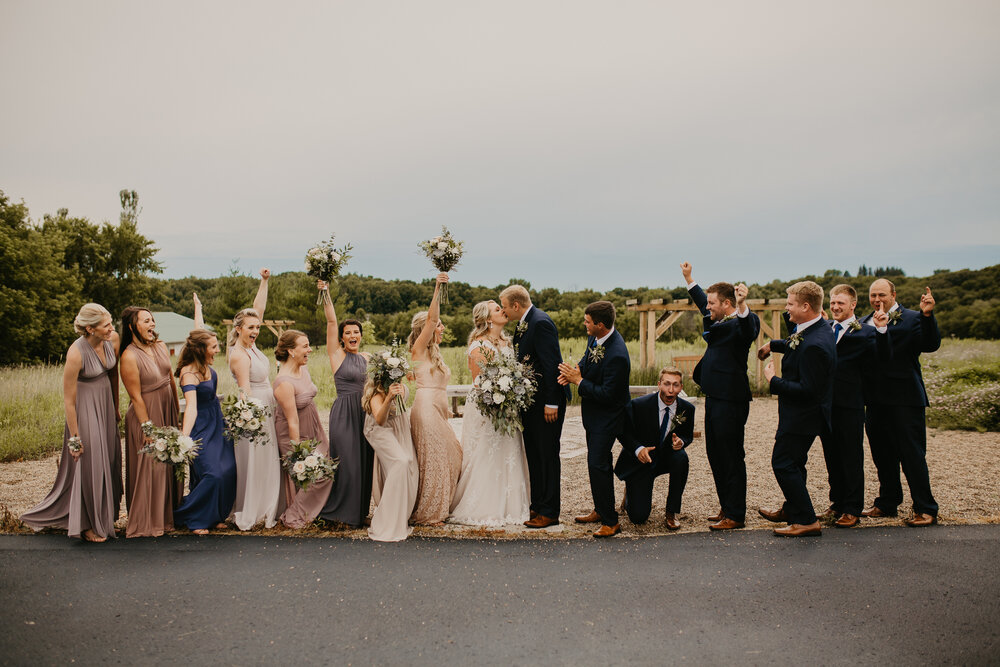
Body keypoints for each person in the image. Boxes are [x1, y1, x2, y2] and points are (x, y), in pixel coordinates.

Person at [760, 284, 890, 529]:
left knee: (850, 457)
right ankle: (837, 502)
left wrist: (882, 331)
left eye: (841, 302)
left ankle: (852, 508)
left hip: (848, 403)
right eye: (833, 302)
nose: (836, 306)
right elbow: (799, 343)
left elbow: (881, 360)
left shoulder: (864, 332)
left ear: (853, 305)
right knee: (831, 457)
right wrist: (774, 345)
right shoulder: (826, 328)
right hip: (825, 405)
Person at [21, 303, 121, 542]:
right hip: (84, 410)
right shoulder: (76, 353)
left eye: (111, 323)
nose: (111, 328)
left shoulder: (112, 340)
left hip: (105, 406)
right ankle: (86, 524)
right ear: (90, 328)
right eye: (106, 325)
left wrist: (115, 406)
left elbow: (113, 374)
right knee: (89, 464)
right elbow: (68, 399)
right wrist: (74, 438)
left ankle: (104, 516)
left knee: (108, 459)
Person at [681, 261, 759, 531]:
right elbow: (704, 300)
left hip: (732, 400)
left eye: (713, 303)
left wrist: (742, 304)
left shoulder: (742, 322)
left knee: (731, 456)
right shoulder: (717, 318)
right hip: (714, 398)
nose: (708, 307)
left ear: (727, 304)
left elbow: (750, 329)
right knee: (716, 454)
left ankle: (736, 514)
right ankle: (726, 505)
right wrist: (690, 279)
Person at [757, 281, 836, 537]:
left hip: (803, 417)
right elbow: (796, 342)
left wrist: (773, 381)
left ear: (805, 306)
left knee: (783, 463)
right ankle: (793, 508)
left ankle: (806, 520)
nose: (786, 309)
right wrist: (774, 345)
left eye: (790, 304)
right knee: (796, 464)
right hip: (801, 415)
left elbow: (807, 390)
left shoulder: (816, 344)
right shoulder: (814, 329)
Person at [860, 280, 940, 526]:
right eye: (873, 295)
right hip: (875, 399)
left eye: (882, 294)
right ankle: (887, 502)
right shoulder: (864, 322)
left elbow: (930, 344)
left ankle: (925, 508)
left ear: (893, 295)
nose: (877, 299)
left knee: (912, 454)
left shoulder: (914, 318)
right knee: (882, 454)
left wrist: (928, 315)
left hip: (906, 399)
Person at [449, 300, 531, 527]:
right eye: (497, 309)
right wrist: (499, 397)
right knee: (486, 452)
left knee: (509, 451)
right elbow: (479, 382)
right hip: (486, 407)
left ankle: (512, 505)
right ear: (487, 319)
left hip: (508, 406)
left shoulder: (507, 341)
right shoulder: (478, 345)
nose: (503, 310)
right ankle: (485, 506)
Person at [559, 300, 631, 538]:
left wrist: (578, 381)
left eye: (588, 321)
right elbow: (586, 361)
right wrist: (573, 372)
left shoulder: (617, 354)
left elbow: (608, 395)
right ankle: (600, 509)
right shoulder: (595, 338)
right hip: (594, 415)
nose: (584, 324)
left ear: (600, 324)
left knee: (598, 464)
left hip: (609, 416)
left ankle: (611, 521)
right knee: (595, 464)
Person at [500, 284, 569, 529]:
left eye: (505, 307)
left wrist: (551, 402)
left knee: (547, 456)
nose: (503, 311)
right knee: (535, 455)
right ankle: (537, 505)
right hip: (530, 403)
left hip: (545, 403)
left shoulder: (541, 323)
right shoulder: (523, 324)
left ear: (516, 305)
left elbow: (551, 365)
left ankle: (550, 512)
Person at [172, 294, 237, 535]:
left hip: (218, 422)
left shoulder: (204, 361)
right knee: (212, 473)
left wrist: (198, 308)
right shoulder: (189, 374)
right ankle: (195, 518)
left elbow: (198, 331)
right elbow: (190, 407)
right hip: (200, 426)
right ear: (200, 350)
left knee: (229, 469)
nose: (218, 349)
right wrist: (185, 438)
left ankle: (215, 515)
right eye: (214, 347)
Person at [226, 268, 283, 531]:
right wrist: (251, 418)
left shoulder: (252, 346)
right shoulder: (239, 354)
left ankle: (268, 504)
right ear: (238, 329)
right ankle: (255, 508)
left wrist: (264, 281)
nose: (256, 330)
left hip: (267, 404)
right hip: (255, 410)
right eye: (251, 328)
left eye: (258, 327)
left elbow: (257, 310)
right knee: (257, 457)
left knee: (268, 457)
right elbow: (245, 390)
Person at [120, 306, 182, 538]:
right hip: (146, 413)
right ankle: (148, 520)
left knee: (169, 463)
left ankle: (168, 517)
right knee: (151, 466)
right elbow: (135, 396)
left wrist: (176, 412)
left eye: (152, 320)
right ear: (131, 326)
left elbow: (171, 381)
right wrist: (147, 427)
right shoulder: (128, 356)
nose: (152, 324)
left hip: (166, 409)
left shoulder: (160, 346)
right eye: (146, 321)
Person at [408, 273, 463, 526]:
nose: (441, 327)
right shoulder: (418, 350)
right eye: (438, 325)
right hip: (425, 410)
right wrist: (438, 288)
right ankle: (430, 513)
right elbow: (431, 318)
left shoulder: (435, 353)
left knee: (453, 455)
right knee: (435, 459)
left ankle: (440, 506)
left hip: (439, 412)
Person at [317, 280, 374, 528]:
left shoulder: (367, 357)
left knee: (365, 462)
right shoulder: (337, 355)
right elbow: (331, 321)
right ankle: (338, 514)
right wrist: (325, 292)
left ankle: (359, 513)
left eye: (356, 332)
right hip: (344, 413)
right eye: (348, 332)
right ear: (341, 337)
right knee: (347, 463)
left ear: (361, 335)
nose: (353, 335)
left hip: (365, 412)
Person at [614, 366, 695, 531]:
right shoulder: (638, 405)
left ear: (681, 387)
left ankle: (671, 512)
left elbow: (687, 435)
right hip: (642, 460)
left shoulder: (687, 409)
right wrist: (638, 449)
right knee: (638, 518)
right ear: (659, 385)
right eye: (667, 384)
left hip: (666, 457)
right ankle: (630, 491)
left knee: (681, 458)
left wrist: (681, 442)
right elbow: (623, 432)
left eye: (676, 385)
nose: (671, 390)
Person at [272, 330, 335, 529]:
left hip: (313, 428)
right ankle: (293, 515)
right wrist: (299, 452)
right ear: (291, 351)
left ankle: (313, 511)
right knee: (317, 474)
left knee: (327, 469)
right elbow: (292, 421)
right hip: (295, 434)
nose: (309, 350)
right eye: (305, 346)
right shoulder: (284, 383)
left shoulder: (303, 370)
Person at [363, 380, 419, 541]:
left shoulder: (402, 387)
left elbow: (401, 409)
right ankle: (386, 520)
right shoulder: (375, 393)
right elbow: (380, 420)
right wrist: (388, 397)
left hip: (399, 427)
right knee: (400, 462)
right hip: (380, 430)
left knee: (409, 464)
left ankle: (400, 517)